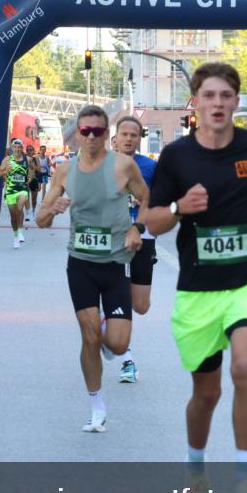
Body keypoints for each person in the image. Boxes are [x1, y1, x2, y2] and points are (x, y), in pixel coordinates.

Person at [145, 62, 247, 493]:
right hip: (198, 289)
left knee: (245, 368)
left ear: (236, 102)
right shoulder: (177, 157)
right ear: (196, 101)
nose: (218, 104)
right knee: (205, 394)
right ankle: (195, 468)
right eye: (209, 96)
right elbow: (151, 220)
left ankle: (246, 481)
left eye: (226, 96)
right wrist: (178, 206)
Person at [36, 105, 148, 432]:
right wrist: (51, 210)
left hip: (114, 264)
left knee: (115, 343)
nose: (91, 137)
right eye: (85, 131)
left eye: (97, 132)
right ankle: (96, 405)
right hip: (81, 264)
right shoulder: (64, 171)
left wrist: (135, 229)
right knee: (88, 337)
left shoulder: (124, 166)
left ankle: (106, 332)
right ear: (77, 134)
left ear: (106, 134)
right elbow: (41, 221)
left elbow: (147, 200)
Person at [111, 115, 157, 384]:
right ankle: (127, 358)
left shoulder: (150, 167)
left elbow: (159, 198)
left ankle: (114, 328)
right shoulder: (102, 165)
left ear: (139, 138)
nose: (129, 138)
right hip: (112, 238)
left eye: (134, 135)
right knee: (118, 295)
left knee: (140, 305)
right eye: (124, 134)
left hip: (143, 237)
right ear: (115, 137)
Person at [0, 138, 34, 248]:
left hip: (22, 189)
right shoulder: (7, 160)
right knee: (13, 216)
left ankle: (21, 233)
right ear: (12, 148)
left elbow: (32, 170)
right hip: (11, 190)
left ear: (22, 148)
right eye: (15, 147)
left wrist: (30, 179)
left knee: (20, 206)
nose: (17, 149)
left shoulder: (28, 159)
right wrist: (5, 171)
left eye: (19, 147)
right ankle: (16, 235)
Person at [25, 145, 42, 222]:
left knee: (34, 198)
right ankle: (28, 214)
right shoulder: (24, 158)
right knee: (26, 197)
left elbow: (39, 169)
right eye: (28, 150)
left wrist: (32, 165)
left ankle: (33, 212)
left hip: (34, 179)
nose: (29, 151)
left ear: (33, 151)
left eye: (31, 150)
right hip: (26, 179)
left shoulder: (36, 158)